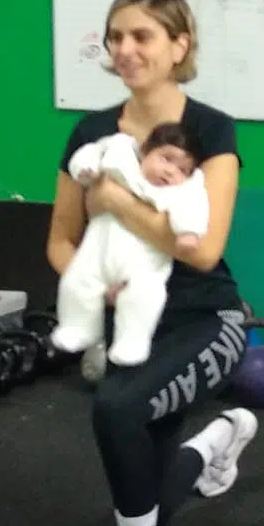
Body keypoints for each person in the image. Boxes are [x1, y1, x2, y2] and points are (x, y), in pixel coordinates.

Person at [47, 0, 254, 526]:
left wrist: (116, 202)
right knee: (151, 491)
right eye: (116, 37)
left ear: (179, 46)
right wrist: (92, 283)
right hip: (133, 319)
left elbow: (203, 249)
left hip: (207, 319)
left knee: (116, 409)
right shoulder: (91, 134)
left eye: (142, 35)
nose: (125, 49)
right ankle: (219, 439)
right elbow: (60, 240)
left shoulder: (210, 130)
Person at [52, 120, 210, 369]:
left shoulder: (181, 190)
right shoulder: (121, 155)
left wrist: (188, 232)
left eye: (182, 169)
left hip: (142, 265)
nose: (171, 171)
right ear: (145, 151)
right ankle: (78, 328)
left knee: (145, 297)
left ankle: (132, 343)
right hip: (97, 252)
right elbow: (90, 153)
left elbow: (194, 205)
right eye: (166, 158)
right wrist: (86, 168)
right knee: (76, 283)